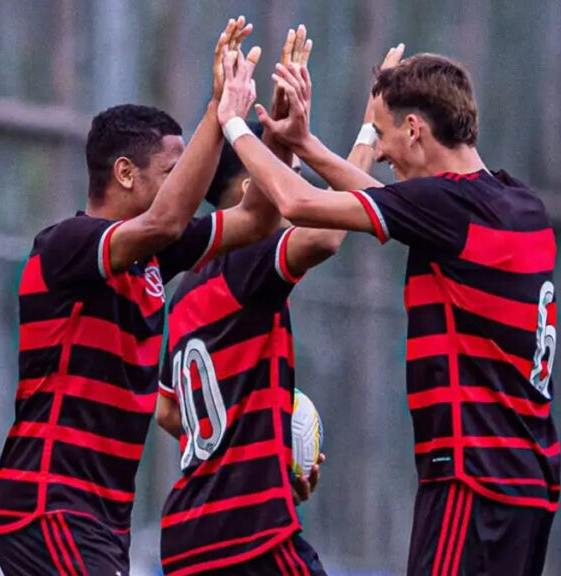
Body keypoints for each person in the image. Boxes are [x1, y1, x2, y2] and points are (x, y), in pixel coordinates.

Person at [222, 46, 559, 576]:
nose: (378, 150)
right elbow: (392, 203)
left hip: (471, 482)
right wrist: (303, 143)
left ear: (415, 131)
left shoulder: (446, 207)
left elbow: (294, 203)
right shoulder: (518, 205)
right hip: (528, 485)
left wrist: (233, 125)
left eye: (380, 133)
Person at [0, 16, 285, 576]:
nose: (183, 187)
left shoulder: (151, 256)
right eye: (170, 171)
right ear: (124, 173)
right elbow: (168, 220)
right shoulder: (68, 245)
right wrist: (217, 118)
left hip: (98, 515)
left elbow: (259, 219)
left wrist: (285, 140)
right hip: (50, 504)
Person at [155, 30, 397, 576]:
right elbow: (329, 229)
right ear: (249, 195)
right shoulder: (248, 267)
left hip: (187, 538)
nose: (293, 195)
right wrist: (366, 127)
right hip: (249, 537)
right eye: (277, 181)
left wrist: (255, 446)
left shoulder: (185, 292)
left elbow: (168, 410)